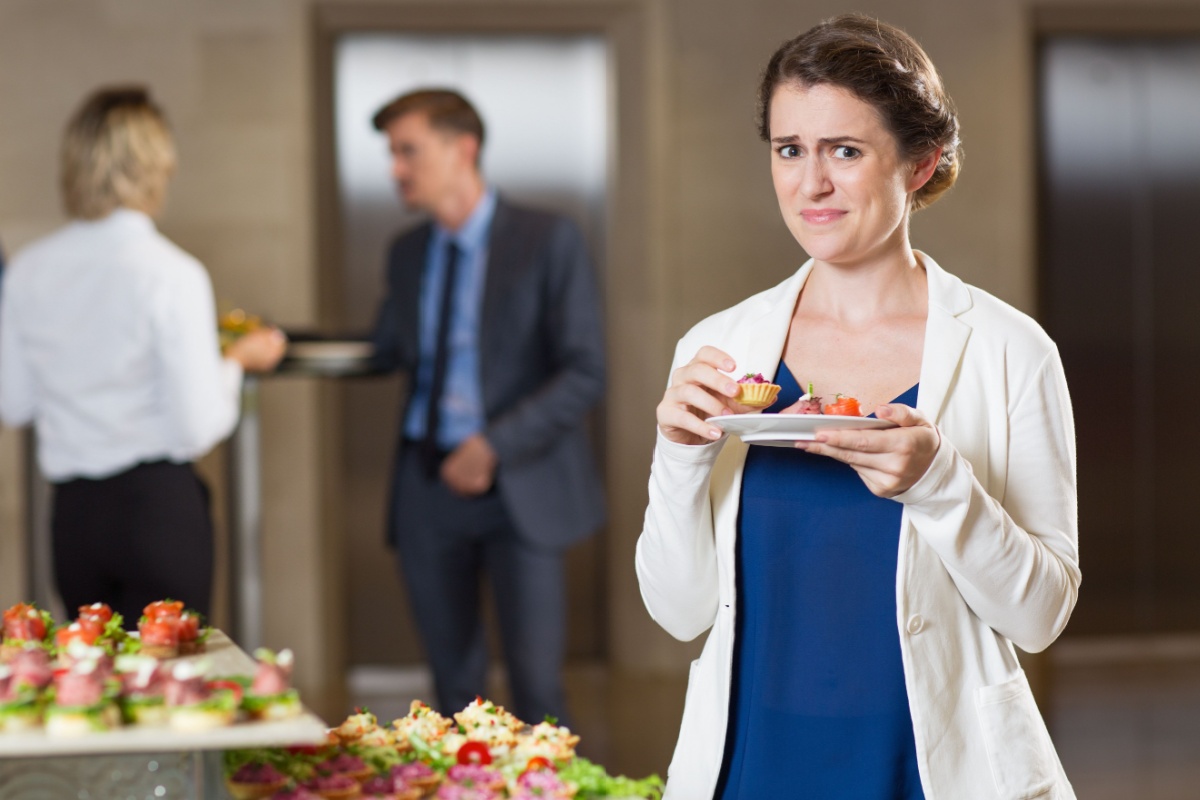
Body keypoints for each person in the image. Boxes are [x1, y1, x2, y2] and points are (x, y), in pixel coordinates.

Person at [637, 14, 1080, 799]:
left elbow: (1040, 615)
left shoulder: (1012, 351)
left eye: (845, 150)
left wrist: (941, 481)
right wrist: (679, 454)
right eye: (789, 150)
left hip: (927, 764)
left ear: (920, 163)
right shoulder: (721, 347)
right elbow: (678, 612)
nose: (812, 184)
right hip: (753, 758)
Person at [0, 87, 286, 627]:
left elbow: (13, 404)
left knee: (96, 691)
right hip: (158, 512)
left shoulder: (29, 270)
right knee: (172, 692)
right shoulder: (171, 272)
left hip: (74, 522)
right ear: (156, 166)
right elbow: (196, 426)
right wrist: (236, 362)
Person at [368, 89, 606, 725]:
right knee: (452, 690)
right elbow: (383, 348)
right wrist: (282, 344)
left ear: (462, 148)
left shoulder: (547, 239)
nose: (396, 168)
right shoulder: (406, 251)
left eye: (407, 150)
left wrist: (492, 446)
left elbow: (585, 371)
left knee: (536, 691)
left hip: (519, 485)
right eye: (391, 154)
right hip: (427, 487)